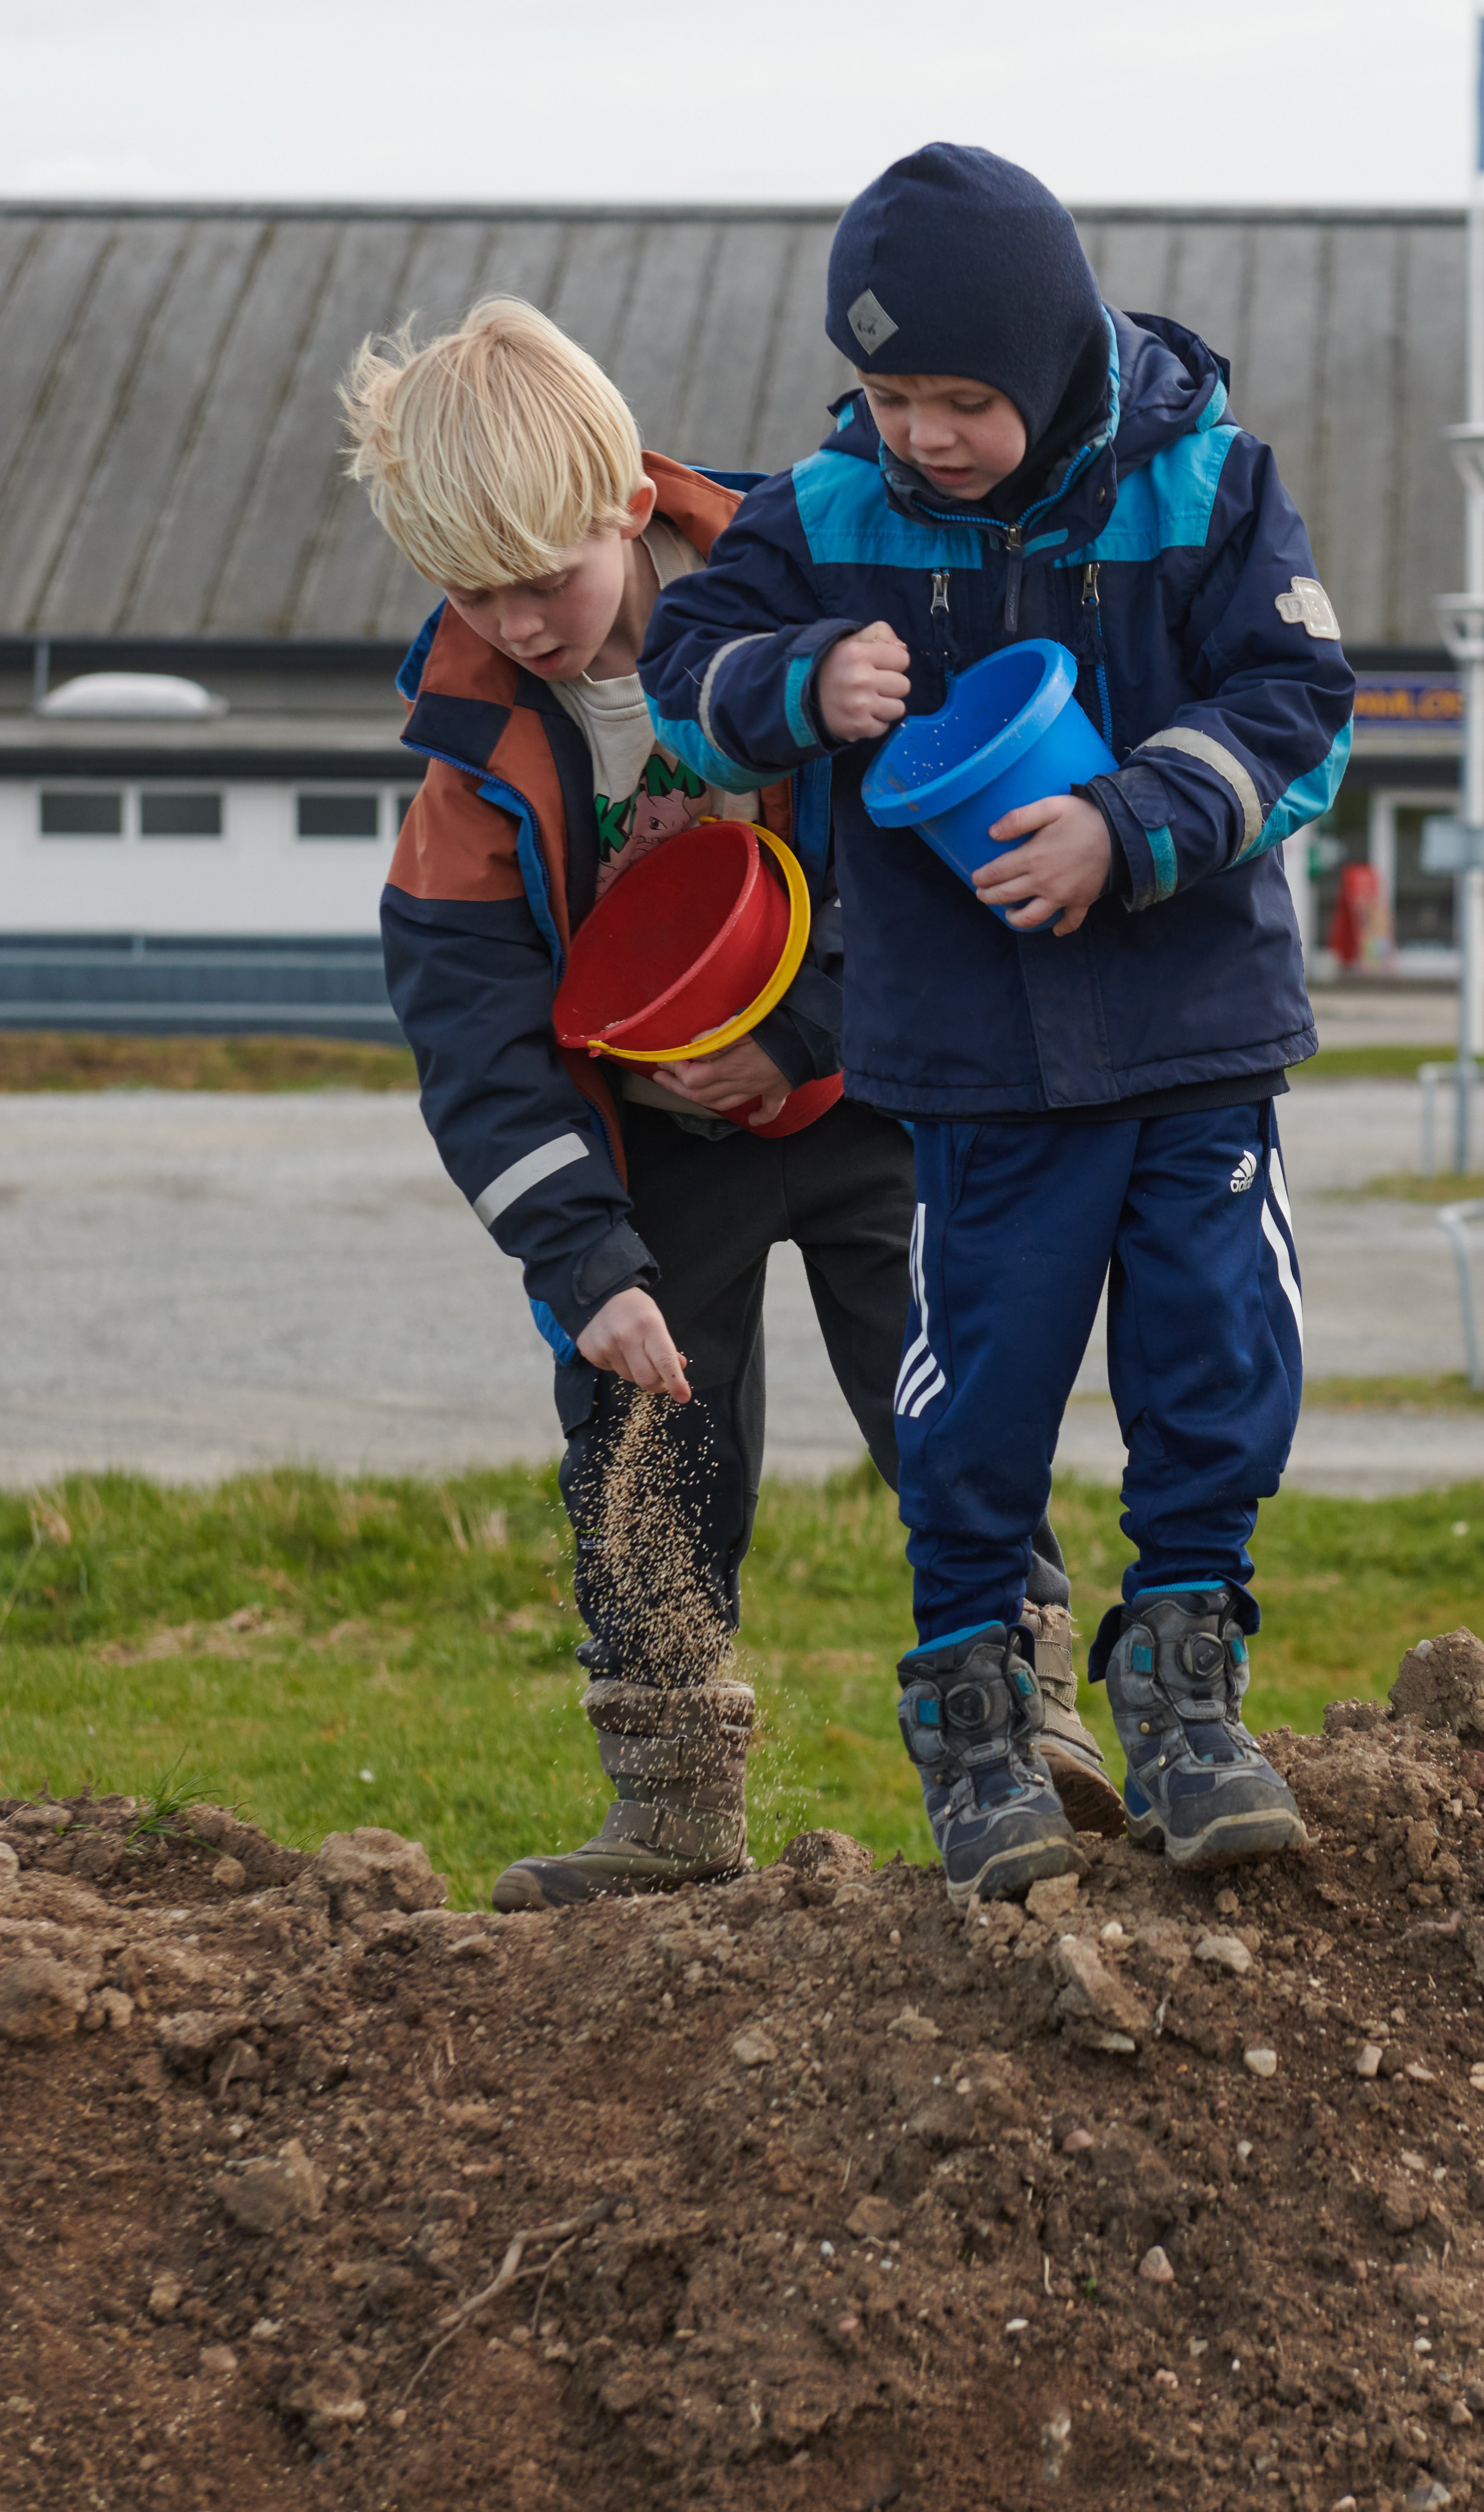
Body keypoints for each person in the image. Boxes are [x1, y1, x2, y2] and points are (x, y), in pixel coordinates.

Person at [643, 143, 1357, 1906]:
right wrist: (798, 683)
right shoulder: (824, 515)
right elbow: (683, 679)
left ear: (1050, 364)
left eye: (961, 396)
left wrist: (1132, 821)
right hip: (971, 1058)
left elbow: (1304, 708)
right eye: (889, 393)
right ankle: (973, 1707)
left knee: (1216, 1347)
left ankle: (1186, 1676)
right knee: (979, 1394)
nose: (922, 432)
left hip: (1191, 1029)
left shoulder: (1205, 481)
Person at [339, 298, 1103, 1914]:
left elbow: (929, 861)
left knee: (950, 1394)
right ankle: (673, 1801)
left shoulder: (814, 593)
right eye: (473, 591)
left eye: (544, 578)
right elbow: (471, 1033)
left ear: (625, 503)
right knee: (640, 1445)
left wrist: (802, 1036)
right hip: (656, 1148)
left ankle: (1027, 1723)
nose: (521, 623)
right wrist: (580, 1258)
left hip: (874, 1100)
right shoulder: (468, 756)